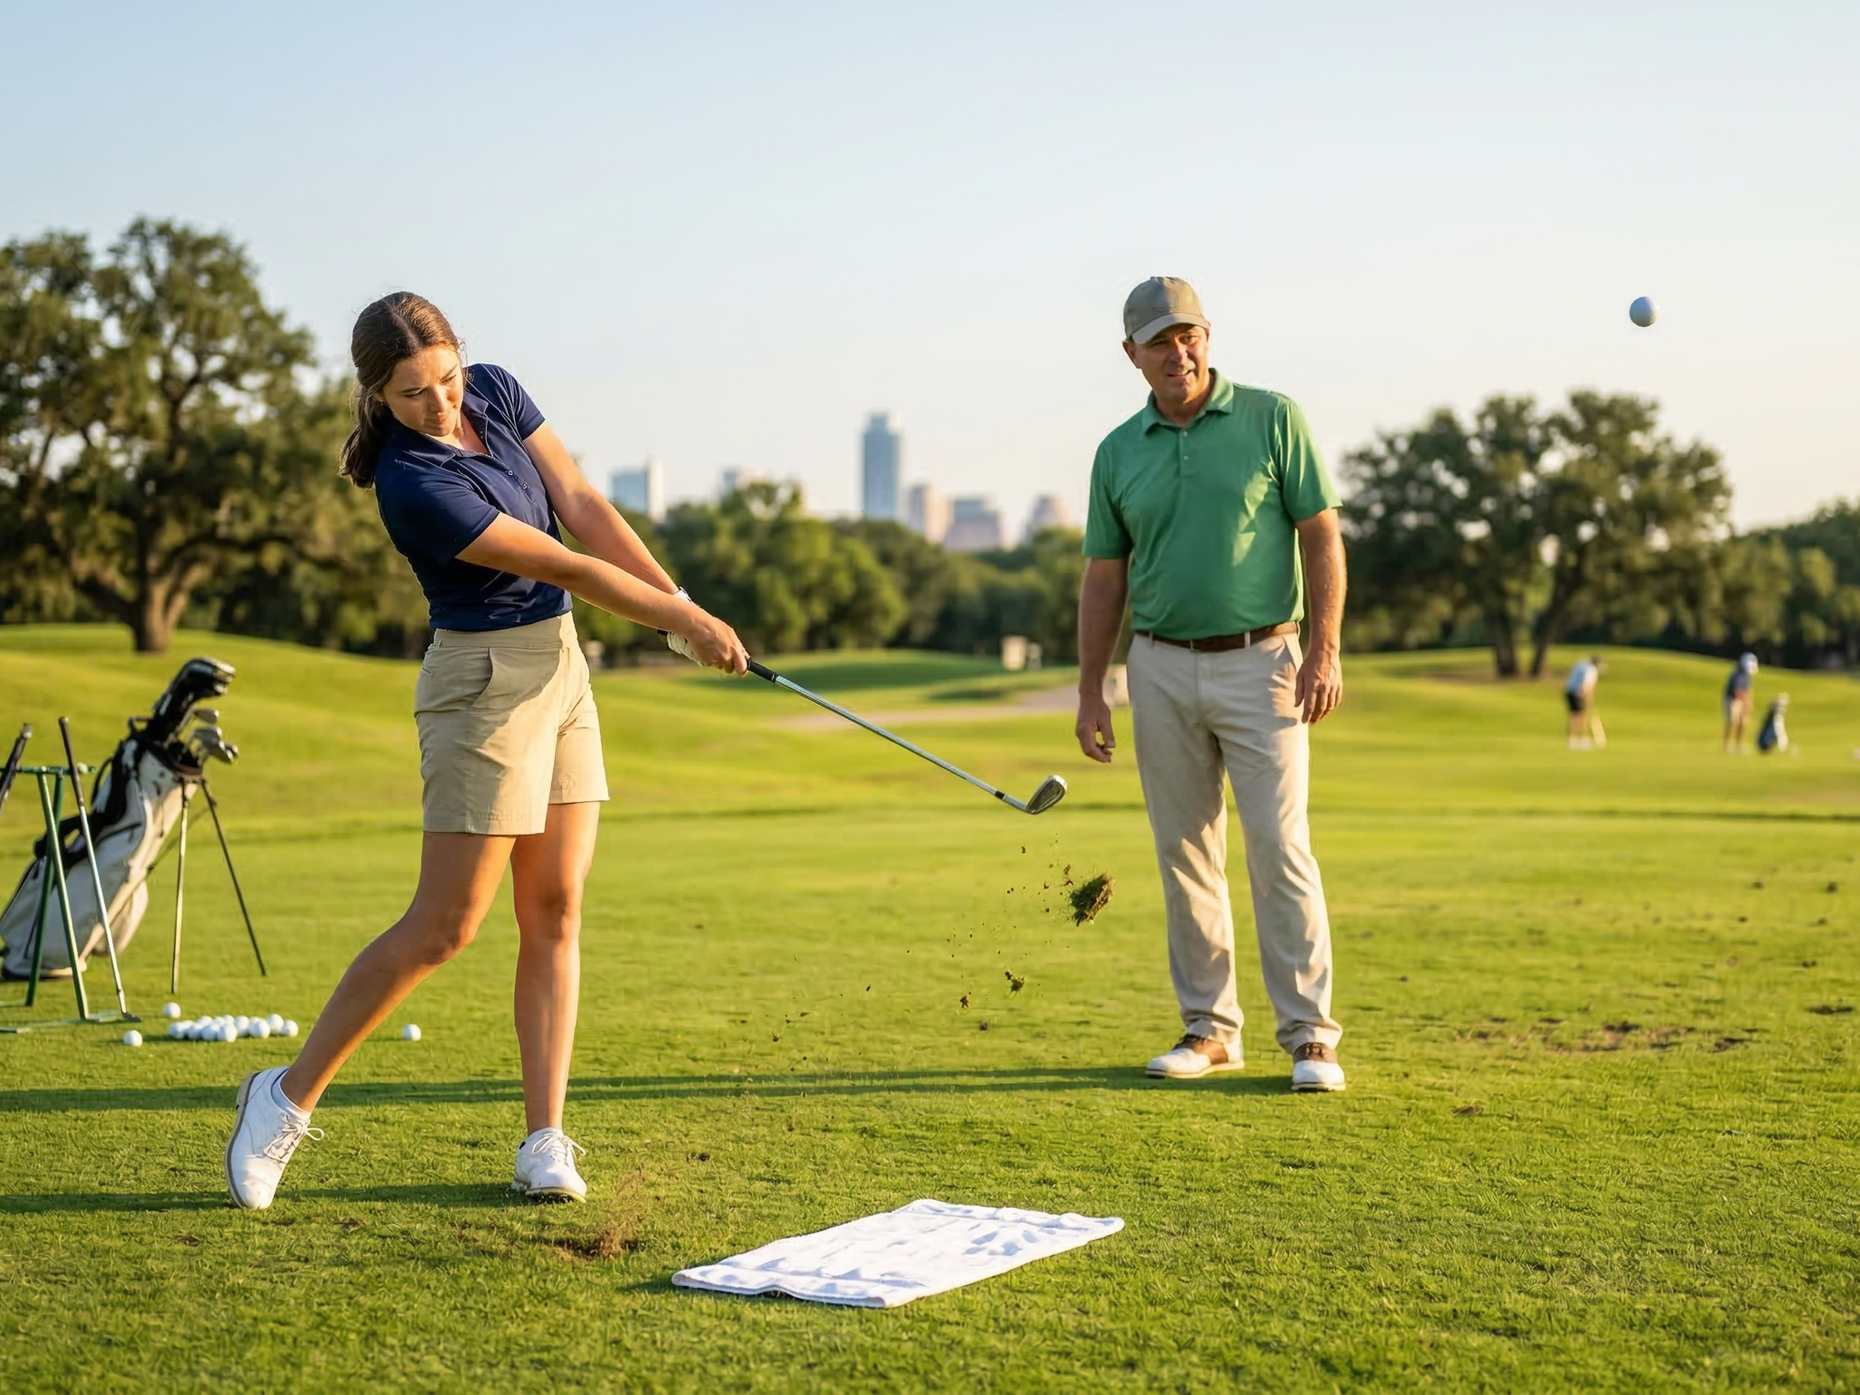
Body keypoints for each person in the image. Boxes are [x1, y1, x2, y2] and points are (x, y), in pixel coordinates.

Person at [223, 293, 748, 1210]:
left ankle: (545, 1137)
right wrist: (683, 619)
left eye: (450, 377)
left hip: (562, 669)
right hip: (481, 688)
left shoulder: (498, 393)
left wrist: (680, 603)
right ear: (379, 395)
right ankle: (285, 1095)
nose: (443, 404)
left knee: (555, 908)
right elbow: (566, 561)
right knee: (447, 924)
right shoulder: (409, 481)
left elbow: (581, 503)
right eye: (416, 391)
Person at [1074, 276, 1347, 1092]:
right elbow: (1101, 579)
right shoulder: (1117, 451)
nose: (1176, 351)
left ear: (1207, 336)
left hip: (1265, 660)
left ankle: (1309, 1038)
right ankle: (1210, 1030)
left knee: (1278, 845)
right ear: (1132, 355)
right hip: (1157, 664)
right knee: (1185, 853)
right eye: (1158, 341)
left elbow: (1323, 539)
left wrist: (1326, 650)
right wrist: (1092, 688)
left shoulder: (1273, 417)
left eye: (1186, 334)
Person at [1565, 655, 1605, 750]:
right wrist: (1588, 700)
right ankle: (1581, 739)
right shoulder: (1591, 670)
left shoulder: (1582, 664)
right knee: (1580, 716)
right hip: (1577, 693)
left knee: (1575, 715)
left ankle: (1573, 739)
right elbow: (1586, 685)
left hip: (1570, 691)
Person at [1724, 652, 1758, 753]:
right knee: (1732, 722)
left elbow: (1747, 690)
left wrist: (1749, 702)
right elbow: (1737, 691)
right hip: (1731, 699)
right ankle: (1726, 745)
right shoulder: (1737, 675)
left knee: (1743, 723)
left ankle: (1739, 745)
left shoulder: (1748, 676)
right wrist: (1746, 702)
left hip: (1741, 699)